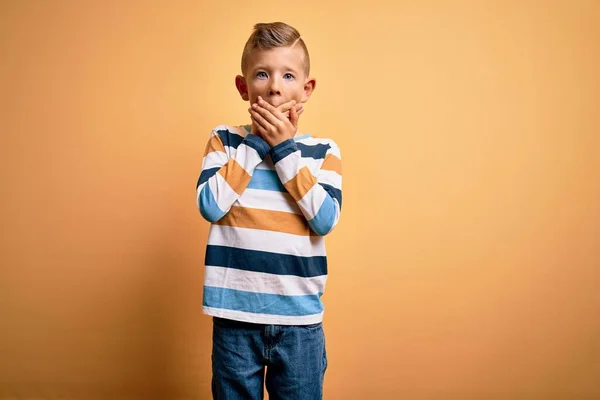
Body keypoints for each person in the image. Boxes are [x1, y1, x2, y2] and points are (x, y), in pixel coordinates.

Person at [195, 21, 343, 400]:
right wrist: (257, 144)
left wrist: (284, 150)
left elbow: (324, 219)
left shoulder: (323, 152)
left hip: (300, 320)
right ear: (244, 87)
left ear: (306, 89)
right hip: (234, 316)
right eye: (262, 74)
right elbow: (211, 205)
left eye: (288, 75)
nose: (275, 86)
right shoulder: (225, 142)